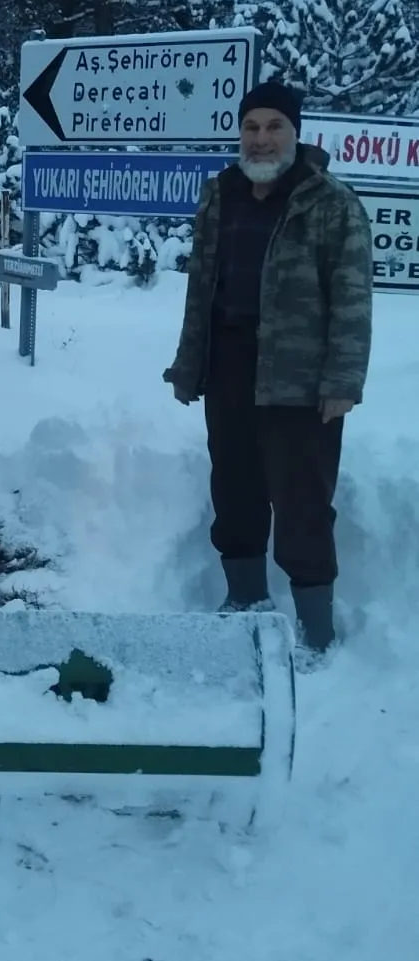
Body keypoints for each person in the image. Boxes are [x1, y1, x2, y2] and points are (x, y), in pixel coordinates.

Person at [163, 79, 373, 653]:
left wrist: (342, 382)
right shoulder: (219, 194)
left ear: (295, 133)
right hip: (229, 364)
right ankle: (244, 601)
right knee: (234, 487)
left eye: (274, 126)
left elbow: (352, 301)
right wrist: (189, 364)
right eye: (251, 127)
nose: (261, 139)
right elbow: (202, 288)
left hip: (301, 379)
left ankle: (315, 632)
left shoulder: (329, 202)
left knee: (302, 500)